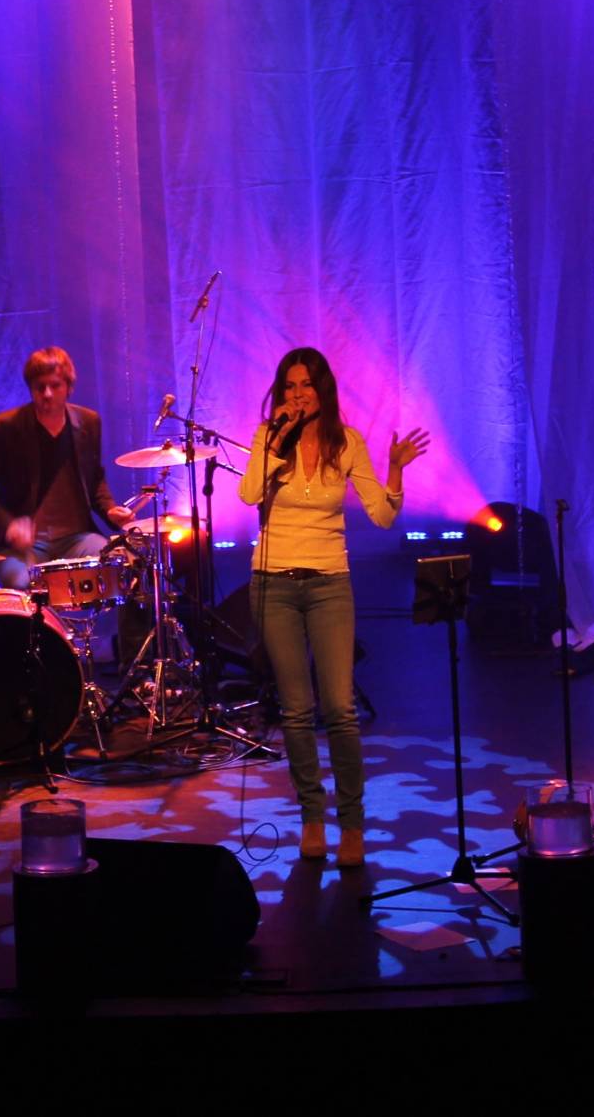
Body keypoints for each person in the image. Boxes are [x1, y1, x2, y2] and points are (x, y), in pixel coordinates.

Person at [238, 347, 429, 867]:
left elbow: (383, 515)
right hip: (273, 586)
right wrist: (275, 442)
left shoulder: (347, 442)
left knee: (340, 709)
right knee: (296, 710)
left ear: (323, 390)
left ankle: (352, 823)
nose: (298, 394)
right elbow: (248, 493)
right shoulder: (267, 436)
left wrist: (395, 470)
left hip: (329, 585)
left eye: (307, 385)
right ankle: (312, 818)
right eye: (289, 385)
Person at [0, 346, 134, 590]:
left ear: (69, 387)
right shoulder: (4, 427)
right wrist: (9, 525)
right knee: (22, 582)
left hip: (77, 538)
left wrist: (109, 510)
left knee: (121, 567)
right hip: (20, 547)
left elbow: (95, 479)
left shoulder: (89, 422)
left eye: (55, 386)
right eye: (39, 387)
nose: (47, 394)